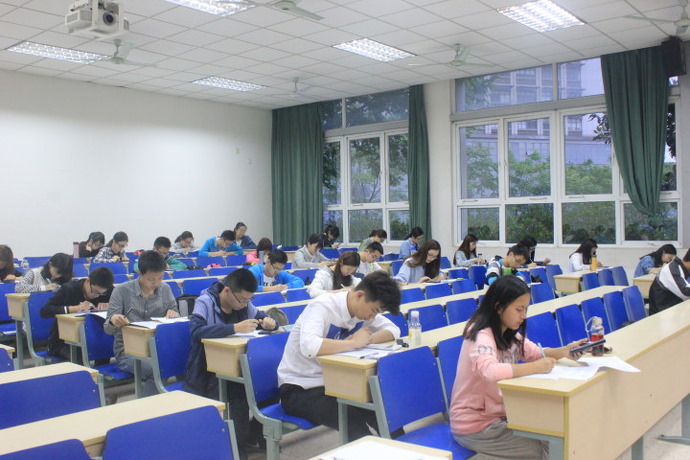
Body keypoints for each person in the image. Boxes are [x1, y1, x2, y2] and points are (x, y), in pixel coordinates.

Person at [450, 276, 585, 459]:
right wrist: (534, 368)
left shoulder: (508, 333)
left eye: (526, 309)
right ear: (499, 307)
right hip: (475, 425)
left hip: (502, 414)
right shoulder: (480, 334)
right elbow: (490, 371)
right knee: (551, 446)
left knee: (555, 432)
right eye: (519, 309)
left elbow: (535, 353)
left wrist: (565, 351)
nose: (523, 316)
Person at [278, 271, 402, 440]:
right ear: (360, 295)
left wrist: (368, 339)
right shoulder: (322, 306)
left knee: (383, 408)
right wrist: (353, 343)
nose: (373, 316)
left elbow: (394, 330)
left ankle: (406, 449)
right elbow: (310, 346)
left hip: (336, 383)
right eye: (374, 311)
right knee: (352, 421)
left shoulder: (363, 310)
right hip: (299, 389)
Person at [183, 268, 277, 452]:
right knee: (238, 394)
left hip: (237, 368)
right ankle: (238, 447)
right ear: (227, 291)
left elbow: (262, 317)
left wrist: (271, 323)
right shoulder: (205, 301)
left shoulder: (245, 304)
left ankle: (255, 435)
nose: (245, 304)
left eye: (249, 300)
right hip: (207, 371)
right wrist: (234, 328)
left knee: (271, 386)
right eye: (242, 300)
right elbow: (196, 331)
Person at [104, 251, 180, 396]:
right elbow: (107, 328)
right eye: (151, 279)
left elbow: (175, 312)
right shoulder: (121, 291)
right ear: (139, 273)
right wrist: (114, 321)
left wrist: (174, 314)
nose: (156, 283)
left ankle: (185, 403)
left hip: (158, 347)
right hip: (127, 352)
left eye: (160, 278)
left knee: (187, 363)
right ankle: (148, 406)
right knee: (159, 369)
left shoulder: (165, 289)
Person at [40, 266, 114, 360]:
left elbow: (124, 308)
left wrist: (111, 306)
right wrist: (75, 308)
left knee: (105, 351)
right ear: (87, 281)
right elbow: (45, 311)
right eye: (94, 291)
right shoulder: (69, 289)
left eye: (101, 293)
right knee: (81, 358)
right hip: (63, 342)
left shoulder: (108, 291)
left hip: (95, 339)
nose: (96, 296)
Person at [648, 248, 690, 315]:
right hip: (662, 315)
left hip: (674, 311)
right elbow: (685, 293)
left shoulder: (682, 269)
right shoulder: (671, 269)